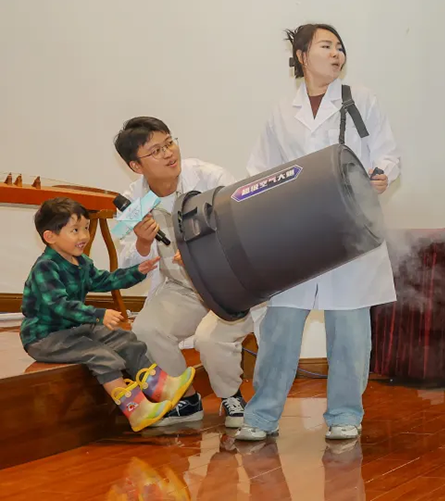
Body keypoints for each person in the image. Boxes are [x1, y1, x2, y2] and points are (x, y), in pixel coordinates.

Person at [235, 23, 400, 442]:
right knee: (281, 325)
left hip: (350, 228)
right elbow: (260, 169)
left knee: (349, 328)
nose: (336, 53)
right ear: (302, 56)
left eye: (340, 47)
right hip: (297, 232)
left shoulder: (361, 100)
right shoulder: (281, 111)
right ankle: (261, 416)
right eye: (326, 46)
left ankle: (345, 413)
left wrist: (382, 174)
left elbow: (387, 153)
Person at [114, 116, 262, 428]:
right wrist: (143, 242)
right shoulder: (133, 203)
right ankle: (186, 399)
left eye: (169, 143)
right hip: (182, 288)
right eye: (156, 151)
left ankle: (231, 396)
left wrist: (205, 251)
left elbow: (247, 226)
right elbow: (127, 268)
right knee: (147, 330)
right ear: (136, 166)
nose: (169, 153)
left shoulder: (210, 178)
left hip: (230, 285)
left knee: (209, 338)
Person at [20, 197, 195, 432]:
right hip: (44, 337)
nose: (84, 236)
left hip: (72, 327)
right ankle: (136, 409)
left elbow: (105, 280)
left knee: (124, 339)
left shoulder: (80, 262)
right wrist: (98, 314)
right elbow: (59, 305)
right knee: (99, 354)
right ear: (50, 236)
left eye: (85, 228)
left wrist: (137, 272)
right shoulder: (45, 267)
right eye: (75, 230)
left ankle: (159, 387)